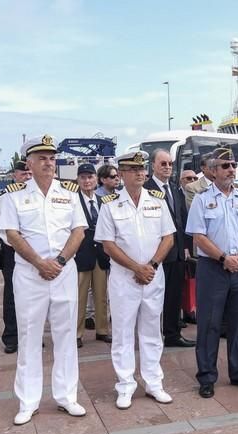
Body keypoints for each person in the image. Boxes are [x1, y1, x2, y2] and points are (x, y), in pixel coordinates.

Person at [0, 135, 87, 425]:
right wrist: (39, 262)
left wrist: (59, 262)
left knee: (65, 337)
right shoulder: (14, 194)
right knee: (29, 337)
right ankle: (28, 401)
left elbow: (78, 232)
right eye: (43, 158)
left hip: (63, 273)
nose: (49, 162)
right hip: (29, 275)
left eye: (52, 158)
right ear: (30, 163)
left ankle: (66, 396)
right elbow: (11, 233)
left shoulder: (70, 192)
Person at [95, 151, 176, 410]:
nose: (141, 173)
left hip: (153, 277)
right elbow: (108, 245)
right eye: (134, 169)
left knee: (152, 331)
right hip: (124, 279)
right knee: (122, 333)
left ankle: (154, 382)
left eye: (142, 169)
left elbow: (168, 238)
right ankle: (125, 384)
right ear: (123, 174)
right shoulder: (109, 204)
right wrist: (135, 268)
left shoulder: (157, 200)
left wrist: (150, 266)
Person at [185, 144, 238, 399]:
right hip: (213, 268)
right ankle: (206, 376)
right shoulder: (202, 199)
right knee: (209, 324)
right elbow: (198, 236)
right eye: (225, 166)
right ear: (213, 171)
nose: (231, 170)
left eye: (233, 165)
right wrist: (224, 257)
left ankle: (237, 371)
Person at [145, 149, 195, 348]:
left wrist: (186, 248)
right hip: (156, 253)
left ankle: (172, 334)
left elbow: (182, 221)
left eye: (170, 164)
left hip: (177, 253)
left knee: (174, 296)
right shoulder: (146, 189)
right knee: (153, 299)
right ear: (153, 165)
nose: (167, 167)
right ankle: (151, 336)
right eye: (163, 163)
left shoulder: (175, 189)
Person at [0, 159, 32, 353]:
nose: (27, 177)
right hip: (12, 251)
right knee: (13, 295)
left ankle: (31, 336)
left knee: (35, 295)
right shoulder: (3, 196)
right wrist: (8, 237)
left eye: (30, 174)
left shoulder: (39, 194)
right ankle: (12, 337)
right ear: (14, 175)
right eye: (23, 174)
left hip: (36, 250)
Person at [74, 163, 111, 348]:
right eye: (83, 177)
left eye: (90, 177)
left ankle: (102, 330)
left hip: (101, 254)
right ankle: (77, 333)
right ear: (78, 180)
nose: (87, 181)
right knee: (79, 296)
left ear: (96, 180)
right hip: (81, 254)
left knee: (101, 295)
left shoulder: (103, 201)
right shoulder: (73, 200)